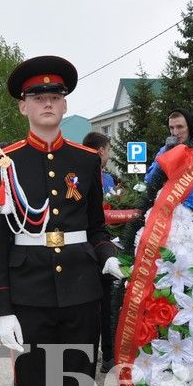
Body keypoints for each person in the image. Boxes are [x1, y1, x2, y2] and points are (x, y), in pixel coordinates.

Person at [0, 55, 121, 386]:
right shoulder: (6, 161)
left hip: (82, 297)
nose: (48, 102)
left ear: (64, 104)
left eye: (55, 96)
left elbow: (97, 225)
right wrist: (1, 308)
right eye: (38, 97)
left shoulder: (85, 161)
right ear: (24, 106)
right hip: (29, 302)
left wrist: (107, 254)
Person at [82, 131, 116, 373]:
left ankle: (108, 355)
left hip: (105, 249)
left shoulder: (110, 180)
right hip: (87, 251)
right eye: (108, 151)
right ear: (102, 150)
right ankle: (96, 357)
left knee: (106, 305)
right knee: (94, 308)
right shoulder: (78, 177)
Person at [143, 108, 193, 183]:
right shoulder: (165, 150)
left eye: (180, 127)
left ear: (190, 128)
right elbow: (149, 180)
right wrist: (165, 154)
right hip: (172, 193)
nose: (175, 133)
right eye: (171, 128)